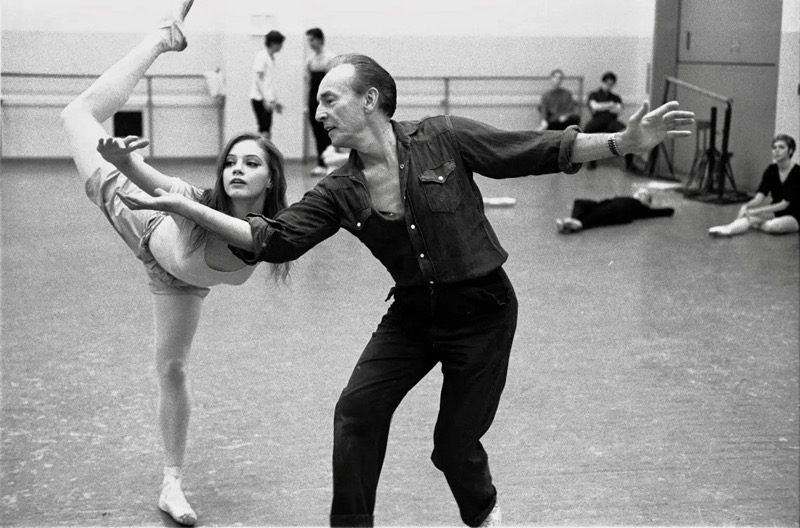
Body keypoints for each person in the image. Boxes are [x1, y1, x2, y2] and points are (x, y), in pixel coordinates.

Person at [118, 53, 694, 527]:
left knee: (452, 446)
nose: (319, 112)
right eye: (318, 103)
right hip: (413, 317)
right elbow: (274, 239)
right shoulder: (339, 188)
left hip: (484, 313)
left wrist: (621, 142)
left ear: (369, 99)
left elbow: (533, 149)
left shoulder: (443, 137)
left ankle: (484, 513)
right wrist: (186, 208)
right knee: (356, 413)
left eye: (329, 99)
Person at [59, 1, 289, 524]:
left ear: (271, 179)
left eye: (251, 163)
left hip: (177, 279)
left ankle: (171, 484)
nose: (236, 169)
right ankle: (159, 40)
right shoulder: (198, 202)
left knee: (173, 367)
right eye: (231, 161)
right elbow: (157, 187)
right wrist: (125, 161)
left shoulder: (275, 234)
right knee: (76, 114)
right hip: (136, 213)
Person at [708, 134, 799, 237]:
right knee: (749, 217)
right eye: (774, 148)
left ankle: (756, 223)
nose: (776, 150)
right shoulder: (771, 170)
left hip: (794, 216)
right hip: (775, 213)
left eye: (781, 147)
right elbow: (759, 197)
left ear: (790, 151)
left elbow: (784, 204)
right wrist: (746, 206)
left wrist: (756, 211)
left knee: (771, 226)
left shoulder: (797, 173)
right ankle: (728, 229)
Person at [555, 188, 675, 233]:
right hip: (603, 205)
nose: (640, 194)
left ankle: (578, 224)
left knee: (597, 216)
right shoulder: (627, 198)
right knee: (579, 202)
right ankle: (572, 222)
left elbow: (664, 211)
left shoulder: (642, 208)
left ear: (646, 202)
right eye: (640, 192)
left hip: (619, 211)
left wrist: (668, 210)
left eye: (645, 195)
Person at [584, 71, 633, 170]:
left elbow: (618, 110)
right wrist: (610, 104)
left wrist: (602, 106)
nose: (608, 86)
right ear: (602, 82)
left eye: (611, 84)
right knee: (587, 131)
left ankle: (629, 164)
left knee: (628, 133)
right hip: (597, 120)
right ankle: (591, 162)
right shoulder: (594, 94)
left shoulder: (616, 97)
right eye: (607, 83)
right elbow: (595, 107)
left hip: (611, 121)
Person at [306, 27, 337, 176]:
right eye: (309, 40)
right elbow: (308, 81)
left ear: (319, 40)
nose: (310, 43)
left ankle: (329, 162)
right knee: (316, 131)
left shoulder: (330, 58)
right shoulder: (310, 59)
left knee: (326, 131)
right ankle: (320, 163)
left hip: (326, 99)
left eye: (312, 39)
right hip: (313, 98)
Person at [250, 29, 286, 140]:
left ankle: (265, 149)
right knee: (264, 130)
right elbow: (258, 80)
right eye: (280, 43)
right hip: (259, 99)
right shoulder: (262, 56)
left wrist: (275, 101)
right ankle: (262, 150)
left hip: (266, 99)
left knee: (266, 130)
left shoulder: (270, 57)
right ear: (273, 43)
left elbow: (269, 83)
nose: (281, 46)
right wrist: (265, 99)